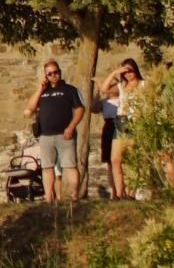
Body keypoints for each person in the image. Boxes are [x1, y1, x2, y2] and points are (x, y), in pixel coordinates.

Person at [25, 59, 86, 201]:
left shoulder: (70, 90)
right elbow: (30, 108)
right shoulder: (43, 92)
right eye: (49, 74)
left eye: (55, 72)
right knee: (47, 167)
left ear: (60, 72)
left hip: (65, 134)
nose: (53, 76)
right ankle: (48, 197)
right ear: (45, 76)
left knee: (70, 165)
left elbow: (80, 109)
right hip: (46, 135)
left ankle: (74, 195)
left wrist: (71, 127)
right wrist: (40, 88)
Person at [99, 59, 145, 201]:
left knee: (132, 160)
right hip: (121, 122)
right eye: (125, 72)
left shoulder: (144, 84)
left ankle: (131, 192)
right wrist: (114, 73)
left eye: (130, 71)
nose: (128, 74)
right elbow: (104, 89)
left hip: (136, 122)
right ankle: (119, 193)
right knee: (115, 159)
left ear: (135, 70)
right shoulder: (121, 86)